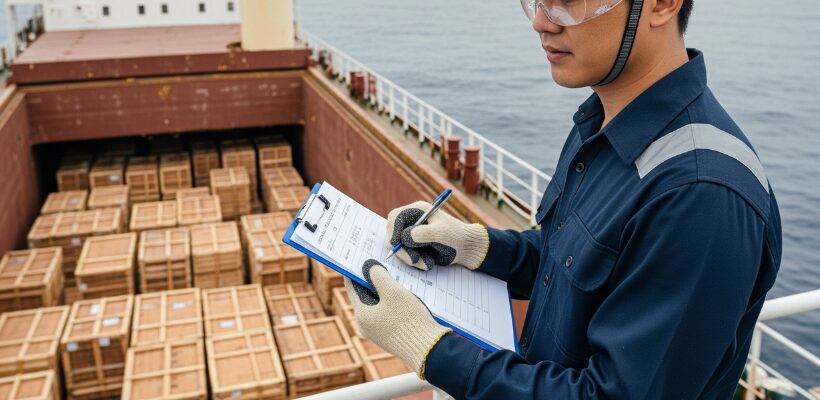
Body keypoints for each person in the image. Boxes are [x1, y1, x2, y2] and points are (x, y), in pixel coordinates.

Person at [344, 0, 782, 398]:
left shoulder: (701, 195)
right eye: (537, 1)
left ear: (663, 5)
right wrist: (475, 246)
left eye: (570, 2)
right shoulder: (603, 123)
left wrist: (429, 347)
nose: (541, 22)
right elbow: (571, 259)